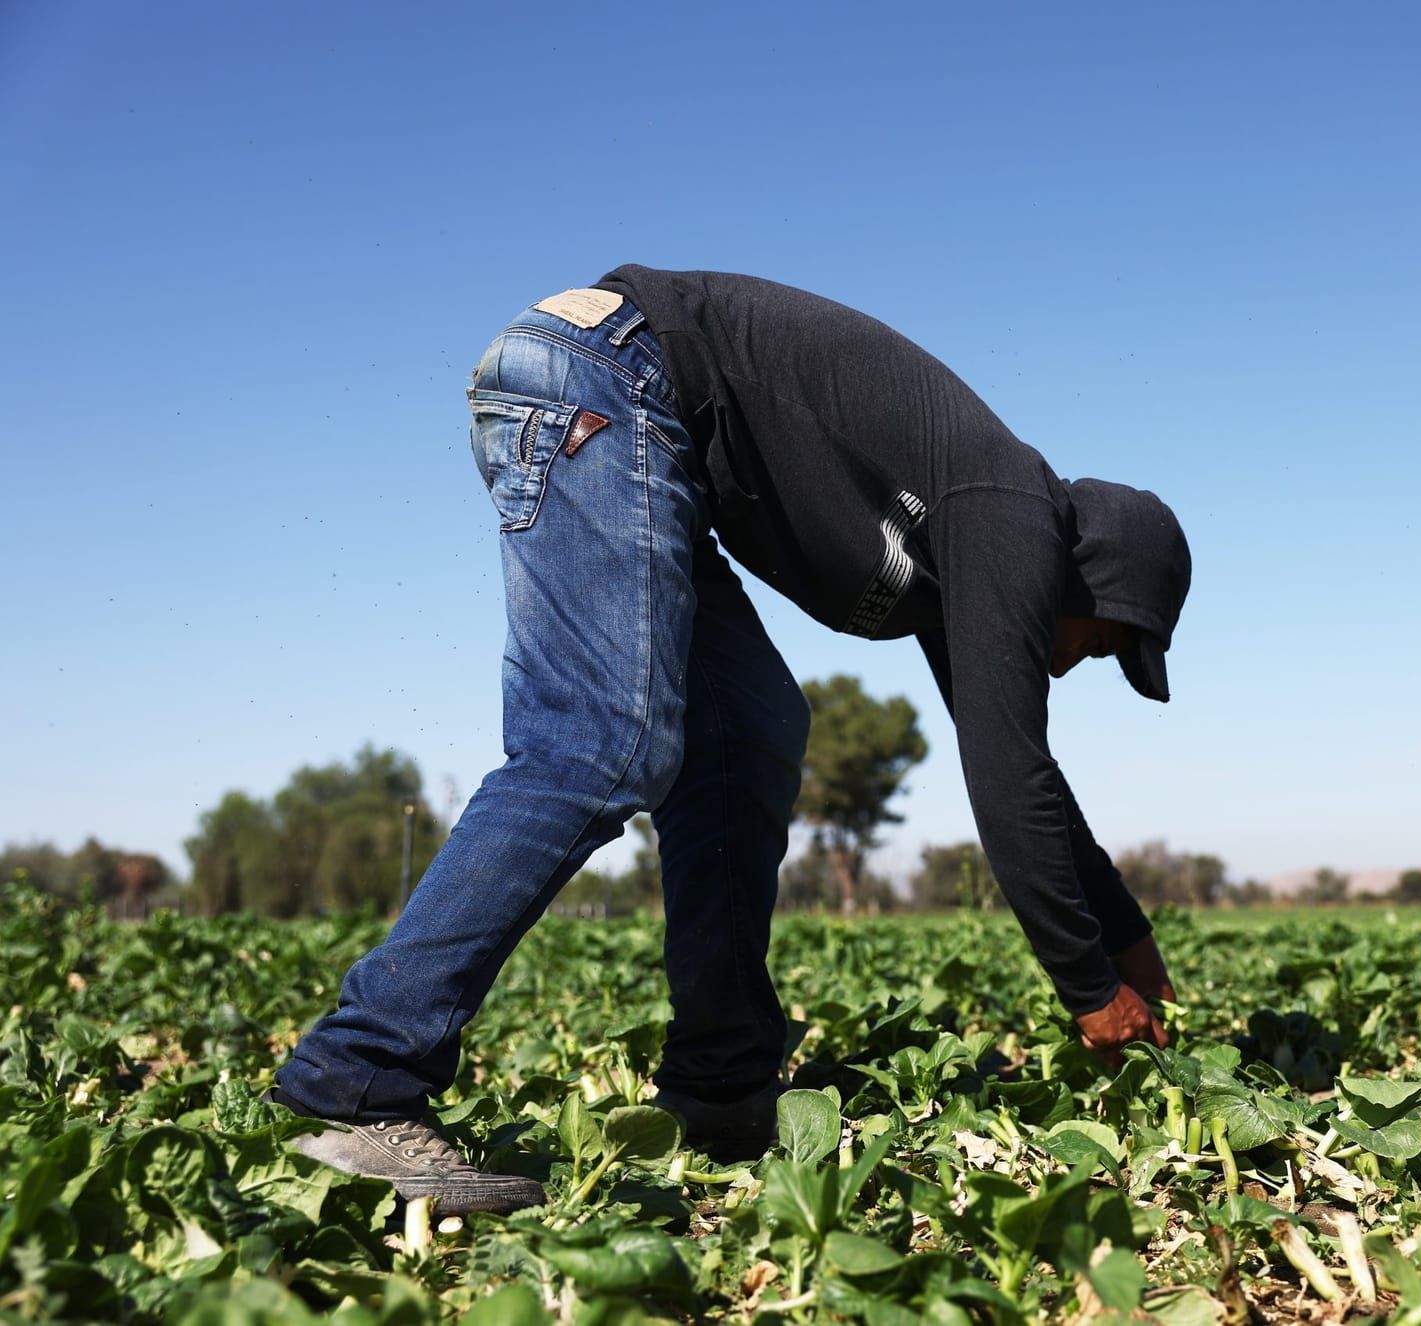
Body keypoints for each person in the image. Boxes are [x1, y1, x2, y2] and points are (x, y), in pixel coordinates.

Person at [265, 269, 1193, 1214]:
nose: (1079, 665)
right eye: (1107, 644)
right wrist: (1089, 987)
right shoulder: (1010, 515)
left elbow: (1013, 758)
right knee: (599, 739)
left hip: (634, 412)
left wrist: (1125, 934)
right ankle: (357, 1079)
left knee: (745, 736)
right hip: (610, 377)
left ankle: (721, 1087)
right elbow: (1010, 779)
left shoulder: (975, 545)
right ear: (1096, 578)